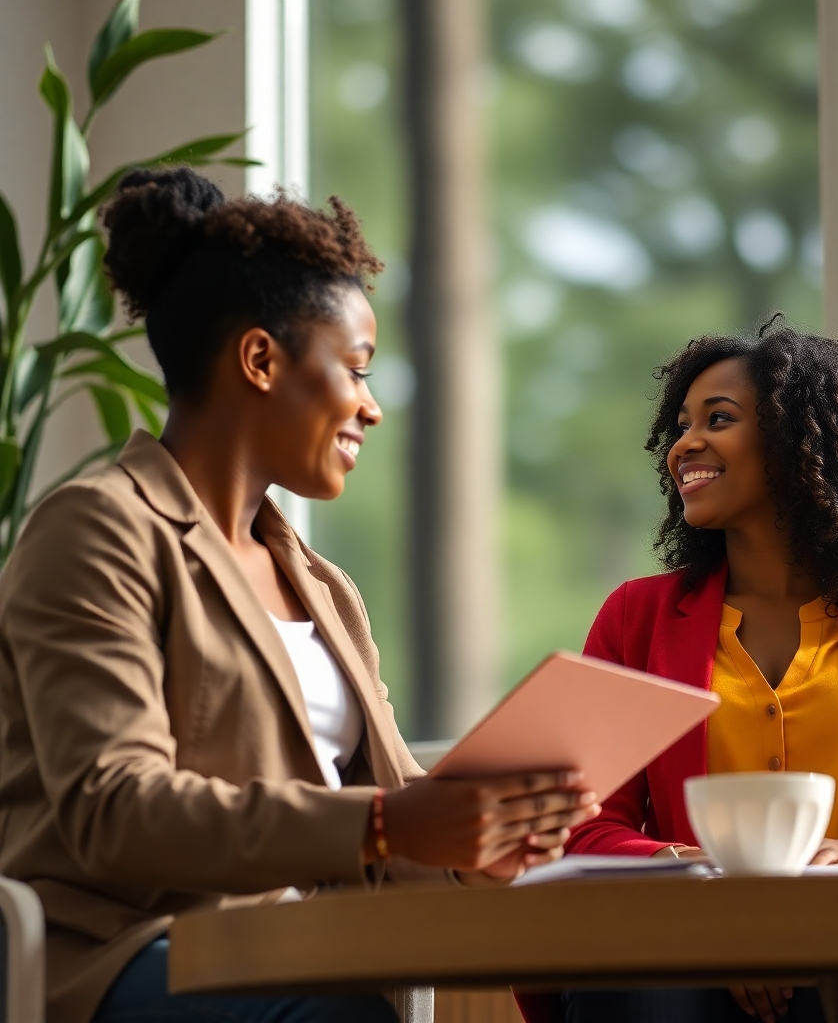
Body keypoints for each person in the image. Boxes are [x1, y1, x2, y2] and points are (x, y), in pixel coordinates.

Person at [0, 167, 600, 1023]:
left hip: (309, 956)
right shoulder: (97, 530)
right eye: (356, 369)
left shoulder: (324, 589)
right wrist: (391, 823)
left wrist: (480, 846)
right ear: (259, 359)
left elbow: (387, 809)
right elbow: (113, 807)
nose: (373, 408)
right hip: (126, 958)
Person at [536, 319, 838, 1023]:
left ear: (802, 441)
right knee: (637, 994)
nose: (685, 445)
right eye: (680, 426)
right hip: (686, 950)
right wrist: (714, 899)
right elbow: (587, 828)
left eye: (719, 419)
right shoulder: (636, 617)